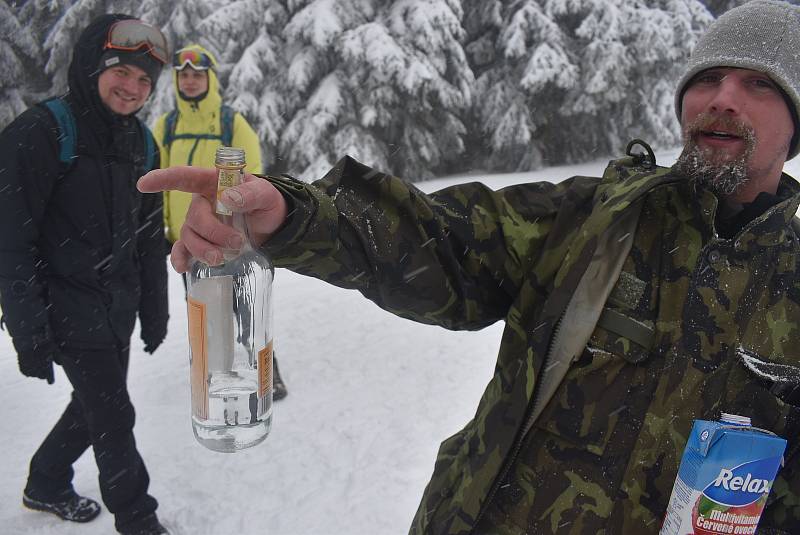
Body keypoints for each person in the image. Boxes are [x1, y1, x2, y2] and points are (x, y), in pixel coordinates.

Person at [138, 1, 800, 533]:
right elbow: (442, 241)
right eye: (708, 79)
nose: (725, 98)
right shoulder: (599, 219)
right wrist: (292, 213)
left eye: (759, 84)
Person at [0, 14, 171, 535]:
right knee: (114, 415)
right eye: (122, 72)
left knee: (94, 404)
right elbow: (11, 242)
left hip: (113, 307)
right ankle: (138, 520)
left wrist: (154, 309)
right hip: (63, 305)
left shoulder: (142, 144)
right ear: (93, 66)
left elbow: (147, 238)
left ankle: (47, 480)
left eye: (145, 81)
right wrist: (29, 331)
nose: (133, 88)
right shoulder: (40, 133)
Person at [152, 44, 288, 400]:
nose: (191, 81)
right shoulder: (166, 127)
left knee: (248, 310)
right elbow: (157, 183)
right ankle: (217, 374)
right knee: (206, 313)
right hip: (190, 241)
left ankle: (266, 372)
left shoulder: (230, 122)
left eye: (198, 75)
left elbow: (252, 177)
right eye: (184, 75)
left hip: (234, 239)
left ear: (210, 79)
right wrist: (163, 230)